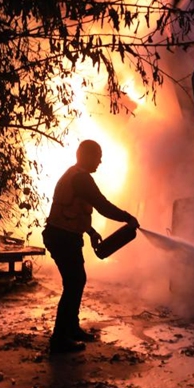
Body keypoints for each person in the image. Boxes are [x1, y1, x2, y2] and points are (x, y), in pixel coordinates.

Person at [42, 140, 139, 354]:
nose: (100, 161)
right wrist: (127, 218)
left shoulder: (74, 175)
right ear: (86, 156)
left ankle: (71, 329)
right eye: (98, 156)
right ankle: (60, 338)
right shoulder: (82, 178)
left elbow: (74, 210)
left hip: (63, 236)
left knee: (76, 281)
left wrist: (91, 232)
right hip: (62, 238)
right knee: (74, 283)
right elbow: (102, 205)